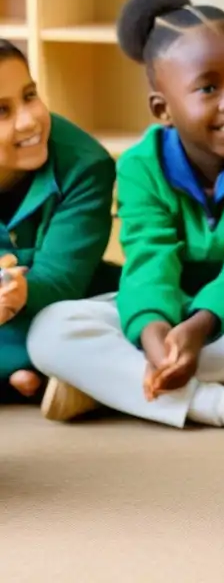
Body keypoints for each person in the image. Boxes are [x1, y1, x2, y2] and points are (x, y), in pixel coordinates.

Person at [27, 0, 224, 436]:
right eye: (209, 87)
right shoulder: (140, 165)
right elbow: (147, 256)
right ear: (163, 109)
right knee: (49, 329)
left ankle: (108, 386)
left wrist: (198, 329)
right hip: (167, 306)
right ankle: (220, 404)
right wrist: (153, 332)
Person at [0, 41, 116, 402]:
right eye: (2, 111)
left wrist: (19, 294)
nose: (29, 120)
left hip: (56, 298)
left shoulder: (86, 164)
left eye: (30, 95)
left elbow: (63, 280)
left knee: (90, 318)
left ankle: (30, 369)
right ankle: (29, 372)